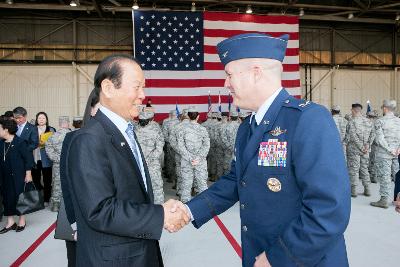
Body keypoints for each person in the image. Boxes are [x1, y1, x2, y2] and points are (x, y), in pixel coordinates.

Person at [173, 33, 350, 267]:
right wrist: (189, 210)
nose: (226, 84)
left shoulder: (308, 119)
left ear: (256, 73)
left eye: (229, 75)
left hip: (299, 259)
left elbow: (329, 209)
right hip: (260, 253)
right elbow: (236, 181)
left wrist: (278, 258)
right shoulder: (248, 127)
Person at [65, 54, 189, 266]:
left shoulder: (124, 132)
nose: (143, 95)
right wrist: (160, 215)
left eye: (144, 87)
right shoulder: (88, 139)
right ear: (108, 87)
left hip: (137, 251)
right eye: (137, 87)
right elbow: (99, 210)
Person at [0, 118, 34, 233]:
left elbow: (28, 159)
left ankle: (22, 220)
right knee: (7, 198)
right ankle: (10, 221)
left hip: (19, 175)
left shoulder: (20, 142)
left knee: (19, 197)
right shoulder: (1, 143)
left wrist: (28, 174)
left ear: (6, 129)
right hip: (4, 176)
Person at [370, 100, 400, 208]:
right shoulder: (399, 121)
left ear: (385, 108)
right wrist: (398, 149)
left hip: (384, 154)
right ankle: (397, 199)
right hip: (397, 154)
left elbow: (380, 139)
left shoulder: (379, 121)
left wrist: (390, 149)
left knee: (385, 177)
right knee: (398, 176)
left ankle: (383, 201)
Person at [177, 106, 210, 203]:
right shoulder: (203, 129)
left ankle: (185, 206)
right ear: (198, 117)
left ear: (188, 116)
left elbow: (180, 146)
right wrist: (199, 158)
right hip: (200, 161)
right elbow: (206, 145)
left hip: (187, 161)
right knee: (202, 184)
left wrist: (189, 157)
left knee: (186, 184)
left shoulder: (182, 129)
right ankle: (204, 205)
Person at [135, 111, 165, 205]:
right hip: (151, 164)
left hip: (138, 163)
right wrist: (150, 159)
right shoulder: (155, 131)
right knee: (156, 187)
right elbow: (159, 148)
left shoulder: (133, 130)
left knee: (140, 186)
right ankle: (158, 208)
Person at [345, 103, 374, 197]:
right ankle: (367, 189)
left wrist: (361, 147)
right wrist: (367, 146)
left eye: (351, 110)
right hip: (366, 150)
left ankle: (353, 191)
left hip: (354, 150)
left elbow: (352, 136)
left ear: (353, 110)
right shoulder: (369, 121)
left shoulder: (351, 121)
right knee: (364, 168)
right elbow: (373, 134)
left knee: (354, 169)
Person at [45, 116, 71, 212]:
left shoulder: (52, 136)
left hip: (57, 163)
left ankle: (56, 205)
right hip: (70, 163)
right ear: (67, 123)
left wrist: (56, 158)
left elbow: (48, 149)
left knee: (57, 183)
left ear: (59, 124)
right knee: (70, 182)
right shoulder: (72, 135)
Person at [32, 111, 56, 204]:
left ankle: (46, 199)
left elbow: (55, 143)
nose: (41, 120)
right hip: (35, 157)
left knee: (47, 180)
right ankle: (38, 200)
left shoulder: (51, 129)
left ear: (46, 119)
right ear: (37, 120)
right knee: (36, 180)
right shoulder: (32, 129)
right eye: (39, 118)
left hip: (47, 158)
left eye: (43, 118)